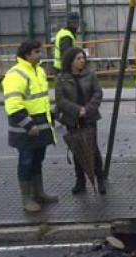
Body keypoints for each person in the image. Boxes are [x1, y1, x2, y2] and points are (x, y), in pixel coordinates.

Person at [2, 40, 58, 213]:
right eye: (36, 52)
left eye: (39, 51)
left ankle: (38, 193)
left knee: (37, 160)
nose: (40, 55)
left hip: (40, 126)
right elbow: (13, 105)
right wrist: (28, 124)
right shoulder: (16, 74)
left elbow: (40, 100)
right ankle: (26, 199)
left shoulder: (39, 71)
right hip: (25, 129)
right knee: (26, 162)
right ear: (27, 55)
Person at [55, 47, 105, 195]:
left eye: (83, 58)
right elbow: (60, 100)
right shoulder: (62, 78)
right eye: (78, 58)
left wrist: (87, 109)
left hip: (89, 118)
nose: (82, 61)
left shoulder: (90, 75)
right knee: (77, 149)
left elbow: (98, 93)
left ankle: (100, 179)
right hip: (73, 119)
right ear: (70, 61)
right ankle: (80, 181)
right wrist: (77, 110)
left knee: (93, 149)